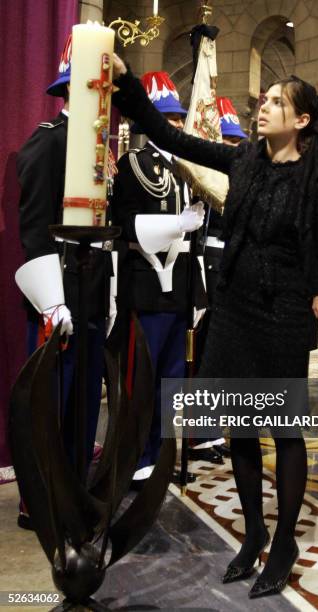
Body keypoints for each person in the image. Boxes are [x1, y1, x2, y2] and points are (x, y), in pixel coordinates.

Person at [111, 57, 318, 599]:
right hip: (234, 310)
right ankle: (255, 530)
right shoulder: (242, 160)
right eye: (264, 101)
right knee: (239, 426)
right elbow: (170, 135)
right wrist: (127, 83)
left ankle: (283, 540)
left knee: (284, 433)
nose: (262, 107)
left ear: (304, 120)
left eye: (277, 103)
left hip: (284, 317)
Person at [15, 37, 113, 528]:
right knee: (52, 400)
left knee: (83, 404)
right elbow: (34, 228)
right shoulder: (50, 140)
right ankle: (40, 498)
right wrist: (52, 302)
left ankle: (72, 488)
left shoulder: (99, 149)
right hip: (59, 294)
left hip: (94, 292)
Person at [110, 71, 207, 488]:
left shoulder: (190, 170)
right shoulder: (133, 165)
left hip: (182, 286)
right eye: (164, 118)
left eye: (174, 118)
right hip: (149, 285)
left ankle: (162, 453)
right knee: (144, 381)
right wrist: (175, 224)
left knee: (172, 381)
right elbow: (124, 225)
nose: (172, 125)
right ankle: (139, 456)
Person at [190, 96, 249, 462]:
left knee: (220, 359)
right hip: (206, 268)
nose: (233, 148)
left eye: (236, 142)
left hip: (229, 267)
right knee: (202, 358)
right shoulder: (204, 175)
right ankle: (198, 435)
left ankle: (210, 432)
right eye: (227, 141)